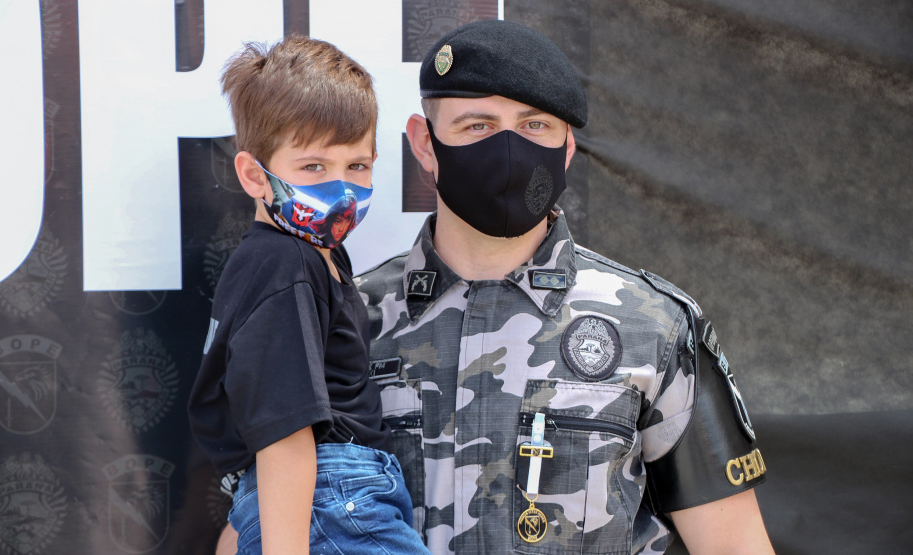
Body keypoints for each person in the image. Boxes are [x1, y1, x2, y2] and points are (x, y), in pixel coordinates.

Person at [355, 20, 775, 554]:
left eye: (534, 126)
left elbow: (735, 545)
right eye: (477, 126)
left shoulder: (655, 327)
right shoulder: (350, 319)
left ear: (567, 147)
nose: (507, 150)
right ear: (425, 143)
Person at [188, 36, 428, 554]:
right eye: (314, 167)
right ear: (255, 175)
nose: (341, 189)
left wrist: (240, 532)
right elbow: (285, 433)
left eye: (357, 167)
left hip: (319, 501)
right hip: (334, 499)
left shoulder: (311, 253)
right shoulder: (286, 262)